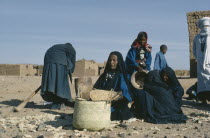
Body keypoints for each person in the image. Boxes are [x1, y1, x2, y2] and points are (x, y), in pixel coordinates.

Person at [93, 51, 133, 121]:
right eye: (110, 60)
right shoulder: (104, 75)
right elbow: (96, 89)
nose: (111, 62)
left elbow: (125, 94)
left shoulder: (121, 76)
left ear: (119, 62)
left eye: (114, 60)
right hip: (101, 103)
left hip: (115, 105)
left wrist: (115, 98)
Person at [41, 43, 76, 110]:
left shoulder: (59, 47)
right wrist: (71, 70)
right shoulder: (71, 48)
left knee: (52, 82)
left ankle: (56, 102)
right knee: (60, 83)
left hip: (48, 61)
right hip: (59, 63)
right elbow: (72, 60)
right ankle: (61, 103)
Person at [193, 17, 210, 104]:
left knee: (204, 81)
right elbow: (195, 50)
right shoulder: (197, 38)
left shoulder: (197, 37)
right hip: (204, 64)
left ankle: (204, 99)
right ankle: (204, 99)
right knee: (204, 81)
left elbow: (194, 51)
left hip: (202, 63)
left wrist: (200, 58)